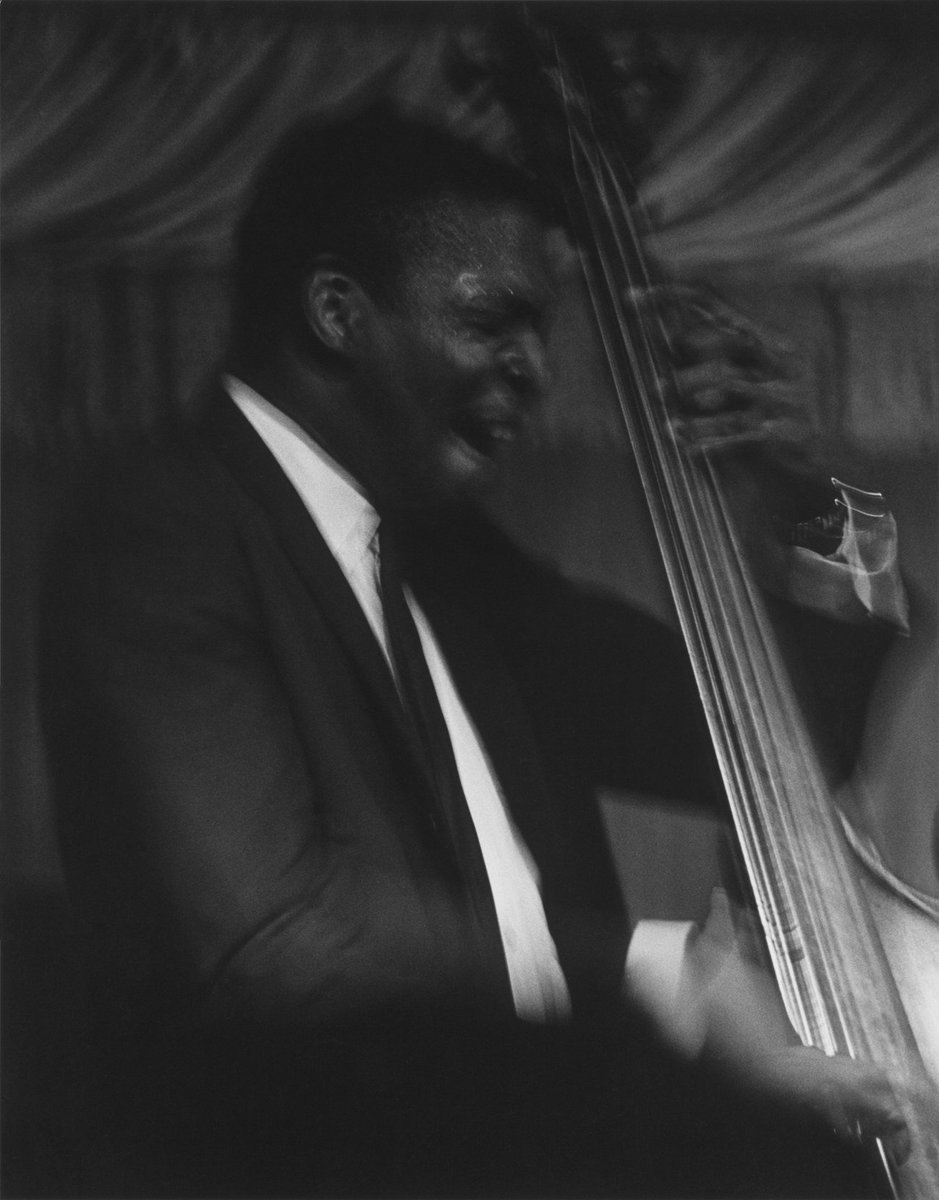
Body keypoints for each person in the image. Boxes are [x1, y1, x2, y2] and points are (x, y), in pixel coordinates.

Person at [40, 107, 908, 1199]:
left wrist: (801, 488)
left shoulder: (453, 565)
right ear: (336, 313)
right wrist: (670, 987)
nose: (538, 369)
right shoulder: (162, 530)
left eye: (541, 331)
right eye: (497, 321)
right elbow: (274, 940)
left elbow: (794, 729)